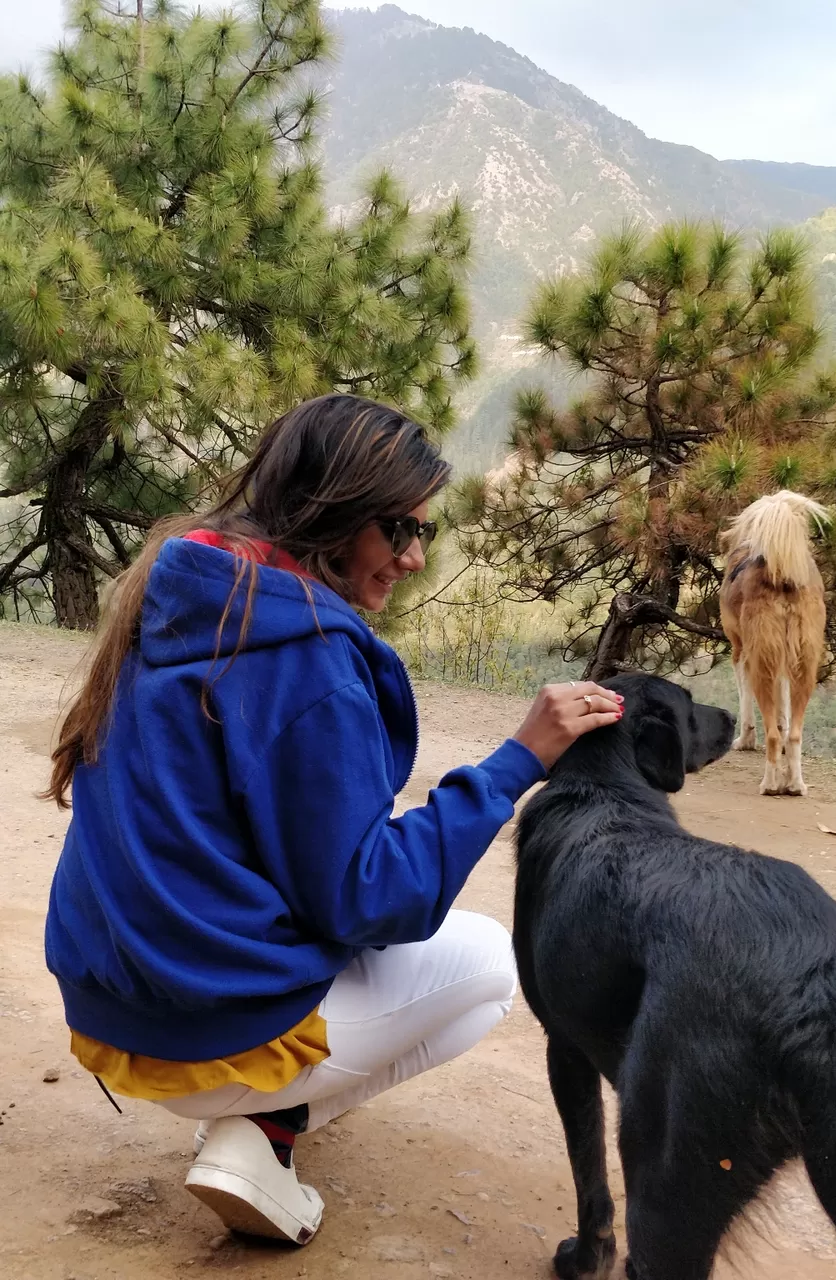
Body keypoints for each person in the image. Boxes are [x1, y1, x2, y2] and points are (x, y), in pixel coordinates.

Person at [43, 394, 623, 1247]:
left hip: (109, 1014)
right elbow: (368, 900)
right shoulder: (308, 660)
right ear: (335, 513)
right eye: (400, 531)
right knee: (489, 964)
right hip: (200, 1035)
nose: (416, 557)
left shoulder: (180, 588)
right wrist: (517, 761)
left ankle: (256, 1122)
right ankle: (262, 1132)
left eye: (427, 532)